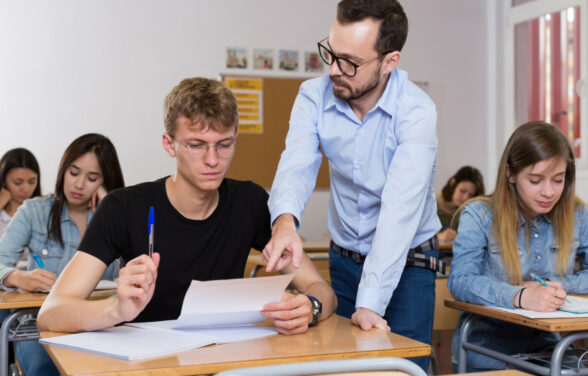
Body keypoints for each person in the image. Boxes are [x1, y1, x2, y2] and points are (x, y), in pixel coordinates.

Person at [38, 77, 336, 338]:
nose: (212, 159)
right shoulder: (124, 207)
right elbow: (51, 314)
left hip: (222, 360)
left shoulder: (250, 202)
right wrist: (117, 309)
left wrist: (311, 307)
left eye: (224, 144)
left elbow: (320, 289)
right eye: (196, 145)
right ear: (169, 144)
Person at [262, 0, 439, 370]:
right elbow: (296, 164)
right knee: (339, 367)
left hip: (407, 263)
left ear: (390, 61)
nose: (333, 70)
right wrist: (284, 224)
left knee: (400, 369)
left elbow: (399, 213)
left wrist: (370, 303)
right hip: (344, 259)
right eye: (331, 52)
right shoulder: (313, 96)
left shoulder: (416, 112)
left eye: (350, 62)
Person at [448, 121, 588, 372]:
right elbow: (460, 281)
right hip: (485, 346)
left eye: (558, 180)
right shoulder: (479, 215)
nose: (548, 192)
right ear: (510, 173)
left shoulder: (577, 215)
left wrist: (559, 285)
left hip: (550, 347)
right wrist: (520, 296)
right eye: (535, 180)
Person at [0, 133, 124, 376]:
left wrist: (112, 207)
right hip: (38, 326)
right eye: (73, 172)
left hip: (100, 326)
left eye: (92, 178)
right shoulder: (34, 211)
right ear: (63, 170)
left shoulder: (115, 217)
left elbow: (139, 268)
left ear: (105, 181)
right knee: (45, 367)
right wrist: (16, 277)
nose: (78, 185)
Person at [436, 166, 484, 243]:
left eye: (471, 195)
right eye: (462, 191)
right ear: (453, 183)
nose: (465, 198)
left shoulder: (467, 212)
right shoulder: (430, 204)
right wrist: (438, 237)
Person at [0, 148, 41, 237]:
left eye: (32, 182)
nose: (26, 189)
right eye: (18, 183)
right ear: (3, 181)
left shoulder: (44, 213)